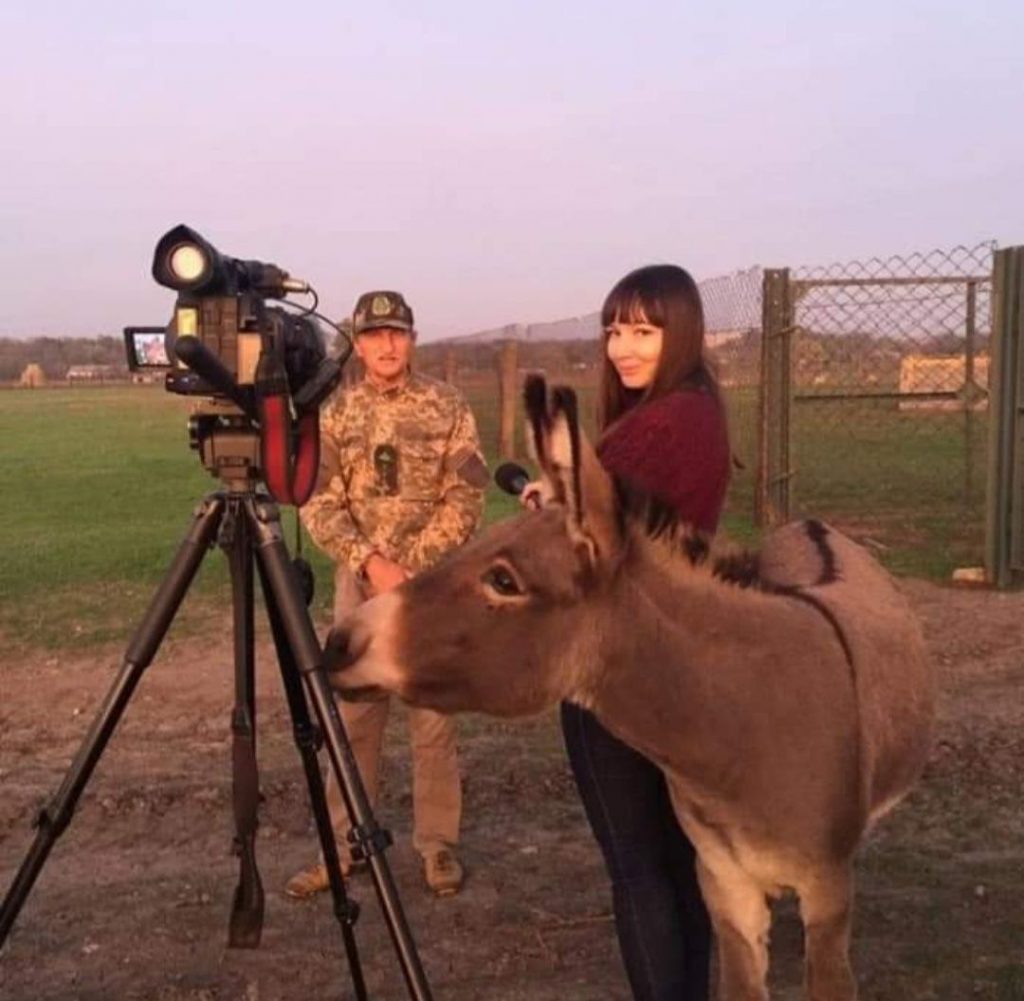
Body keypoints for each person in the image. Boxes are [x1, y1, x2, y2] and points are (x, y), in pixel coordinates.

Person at [526, 264, 730, 1000]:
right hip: (681, 662)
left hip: (614, 666)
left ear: (681, 331)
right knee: (677, 862)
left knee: (638, 866)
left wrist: (549, 508)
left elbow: (573, 548)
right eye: (614, 329)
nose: (623, 346)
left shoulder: (653, 426)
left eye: (643, 329)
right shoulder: (701, 410)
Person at [286, 289, 488, 899]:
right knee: (354, 718)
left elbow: (468, 493)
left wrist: (414, 565)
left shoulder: (447, 404)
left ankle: (438, 845)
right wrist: (369, 562)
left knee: (432, 720)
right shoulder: (336, 413)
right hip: (362, 586)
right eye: (374, 336)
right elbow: (320, 501)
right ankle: (347, 845)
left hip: (432, 588)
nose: (387, 345)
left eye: (397, 333)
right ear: (359, 344)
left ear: (413, 339)